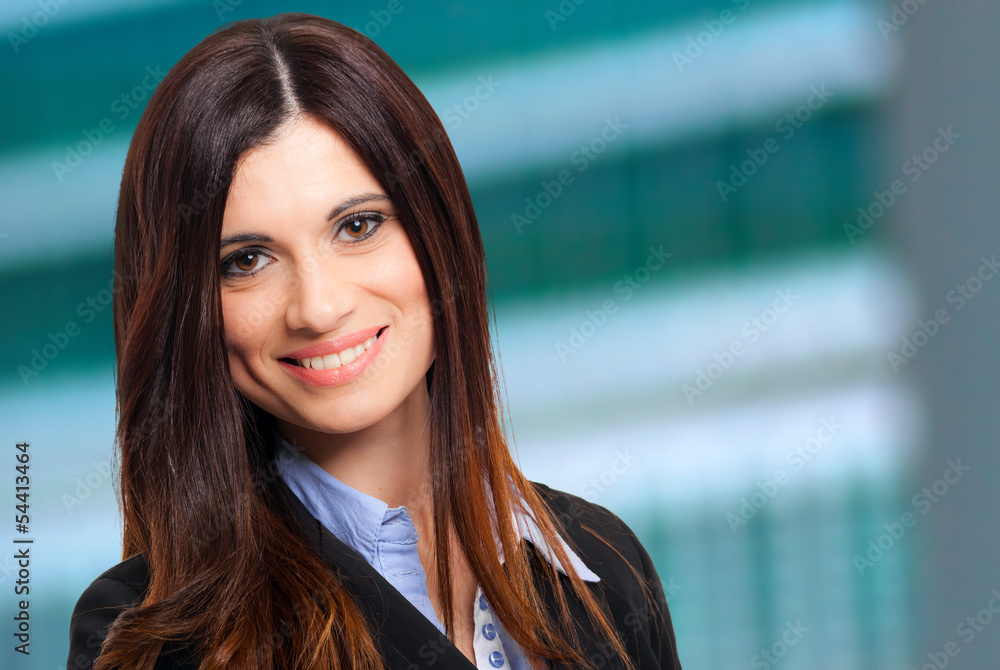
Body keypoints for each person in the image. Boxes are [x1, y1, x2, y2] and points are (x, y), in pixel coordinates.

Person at [66, 13, 681, 670]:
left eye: (358, 226)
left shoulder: (603, 564)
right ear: (186, 313)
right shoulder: (154, 637)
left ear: (439, 233)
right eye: (246, 260)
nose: (319, 307)